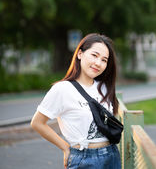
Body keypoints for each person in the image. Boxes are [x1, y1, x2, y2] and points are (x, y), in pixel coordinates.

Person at [31, 33, 121, 169]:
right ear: (80, 54)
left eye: (104, 60)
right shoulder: (62, 89)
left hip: (112, 155)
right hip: (84, 159)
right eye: (94, 55)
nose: (98, 63)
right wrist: (65, 148)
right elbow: (37, 123)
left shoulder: (103, 87)